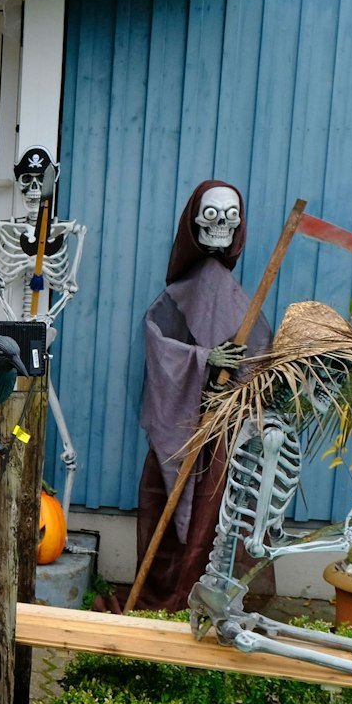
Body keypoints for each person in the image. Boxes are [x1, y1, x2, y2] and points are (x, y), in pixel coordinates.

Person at [133, 181, 273, 611]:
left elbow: (259, 354)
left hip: (222, 428)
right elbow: (158, 346)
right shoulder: (180, 291)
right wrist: (203, 359)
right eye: (212, 215)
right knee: (169, 505)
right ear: (193, 221)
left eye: (231, 217)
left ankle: (208, 593)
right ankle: (169, 591)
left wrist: (236, 381)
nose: (222, 226)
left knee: (219, 511)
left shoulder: (231, 291)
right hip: (183, 428)